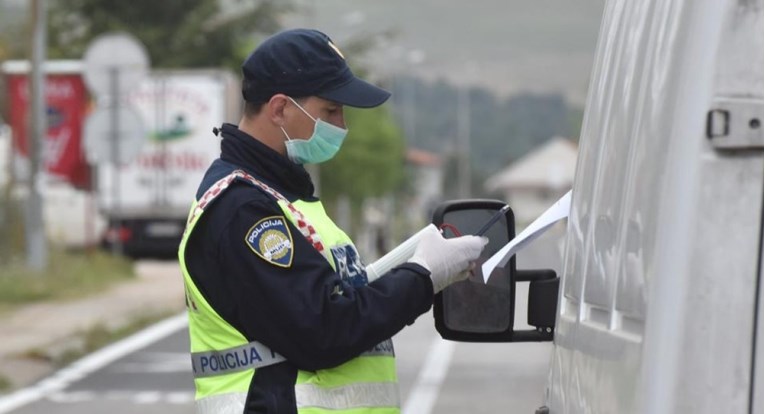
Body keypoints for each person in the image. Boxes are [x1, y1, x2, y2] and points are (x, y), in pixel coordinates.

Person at [178, 28, 488, 414]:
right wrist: (422, 276)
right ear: (279, 109)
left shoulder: (282, 196)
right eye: (330, 110)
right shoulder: (243, 210)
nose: (341, 125)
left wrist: (410, 268)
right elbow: (321, 330)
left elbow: (334, 299)